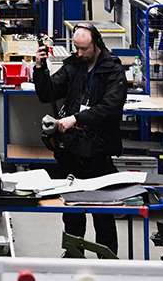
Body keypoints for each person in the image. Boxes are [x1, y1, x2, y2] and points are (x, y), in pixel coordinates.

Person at [34, 24, 127, 256]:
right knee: (72, 207)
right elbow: (47, 93)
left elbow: (111, 107)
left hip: (99, 148)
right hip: (72, 149)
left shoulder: (112, 69)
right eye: (76, 48)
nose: (79, 53)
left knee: (102, 208)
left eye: (84, 49)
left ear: (96, 44)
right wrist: (39, 67)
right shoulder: (73, 65)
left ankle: (107, 257)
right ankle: (74, 253)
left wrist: (76, 118)